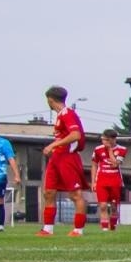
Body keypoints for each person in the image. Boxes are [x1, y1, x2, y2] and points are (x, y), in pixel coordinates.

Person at [38, 85, 87, 237]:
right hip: (56, 158)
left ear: (50, 100)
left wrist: (53, 144)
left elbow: (76, 135)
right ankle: (47, 229)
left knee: (75, 195)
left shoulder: (68, 113)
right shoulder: (60, 115)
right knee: (49, 192)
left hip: (68, 158)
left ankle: (78, 230)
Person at [91, 129, 127, 231]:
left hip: (115, 180)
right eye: (102, 139)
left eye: (106, 140)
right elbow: (94, 165)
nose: (104, 142)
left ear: (113, 139)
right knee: (102, 205)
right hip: (101, 180)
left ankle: (113, 227)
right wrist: (93, 182)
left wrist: (110, 150)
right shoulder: (97, 149)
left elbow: (115, 164)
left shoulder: (122, 149)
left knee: (114, 206)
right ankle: (105, 229)